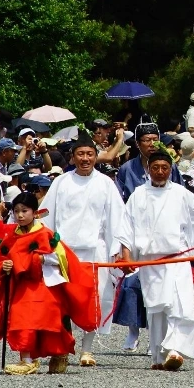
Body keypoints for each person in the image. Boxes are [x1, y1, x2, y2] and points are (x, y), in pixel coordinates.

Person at [117, 146, 194, 371]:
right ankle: (158, 356)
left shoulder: (181, 193)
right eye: (155, 167)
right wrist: (126, 257)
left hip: (178, 259)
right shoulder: (138, 196)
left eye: (165, 168)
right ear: (148, 169)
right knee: (156, 310)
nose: (160, 172)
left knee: (179, 304)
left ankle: (175, 350)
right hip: (150, 262)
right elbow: (127, 229)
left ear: (170, 169)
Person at [39, 130, 128, 366]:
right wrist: (46, 246)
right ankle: (63, 347)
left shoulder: (105, 184)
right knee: (63, 301)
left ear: (96, 156)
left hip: (95, 250)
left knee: (94, 299)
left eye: (90, 154)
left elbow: (117, 219)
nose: (85, 159)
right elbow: (47, 216)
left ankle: (87, 349)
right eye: (81, 154)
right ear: (73, 156)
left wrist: (119, 250)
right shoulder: (61, 182)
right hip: (64, 252)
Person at [0, 192, 100, 375]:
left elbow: (61, 258)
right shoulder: (10, 237)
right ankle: (27, 360)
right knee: (20, 321)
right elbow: (0, 261)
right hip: (21, 287)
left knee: (51, 322)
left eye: (25, 211)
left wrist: (36, 260)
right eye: (16, 211)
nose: (20, 215)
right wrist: (4, 267)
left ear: (35, 212)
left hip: (45, 285)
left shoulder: (46, 234)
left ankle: (59, 354)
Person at [116, 120, 183, 201]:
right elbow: (118, 198)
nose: (152, 144)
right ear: (137, 144)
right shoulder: (127, 169)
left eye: (155, 140)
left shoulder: (170, 165)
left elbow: (181, 192)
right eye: (147, 140)